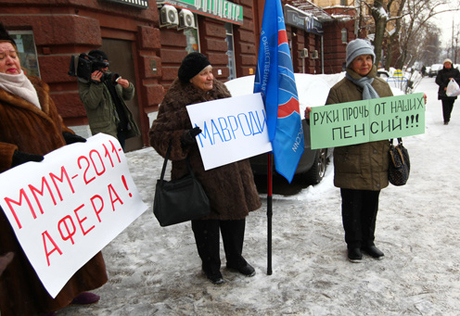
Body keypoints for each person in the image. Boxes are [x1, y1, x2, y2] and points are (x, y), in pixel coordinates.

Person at [0, 22, 107, 315]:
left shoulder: (34, 84)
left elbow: (53, 122)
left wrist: (67, 135)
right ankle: (42, 300)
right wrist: (12, 156)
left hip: (51, 182)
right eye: (1, 57)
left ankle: (72, 287)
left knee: (60, 238)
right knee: (32, 248)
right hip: (18, 189)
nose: (10, 60)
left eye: (12, 54)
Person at [149, 52, 261, 284]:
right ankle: (211, 266)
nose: (211, 77)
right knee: (206, 223)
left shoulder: (221, 90)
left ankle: (235, 259)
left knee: (235, 217)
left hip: (231, 168)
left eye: (211, 71)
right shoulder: (175, 100)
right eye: (204, 73)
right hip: (201, 174)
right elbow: (157, 136)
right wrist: (184, 138)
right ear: (191, 77)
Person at [306, 39, 393, 263]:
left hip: (376, 158)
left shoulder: (382, 87)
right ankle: (353, 244)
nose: (364, 63)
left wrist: (415, 108)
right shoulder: (339, 91)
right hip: (351, 160)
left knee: (371, 205)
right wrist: (313, 119)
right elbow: (329, 126)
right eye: (359, 59)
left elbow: (394, 118)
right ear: (350, 62)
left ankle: (368, 242)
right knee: (352, 206)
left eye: (368, 58)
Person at [77, 49, 140, 150]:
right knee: (112, 162)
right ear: (95, 65)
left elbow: (127, 97)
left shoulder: (110, 76)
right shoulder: (85, 82)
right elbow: (91, 103)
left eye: (107, 65)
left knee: (120, 157)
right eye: (103, 65)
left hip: (120, 127)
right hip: (105, 131)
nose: (106, 68)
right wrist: (96, 84)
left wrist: (128, 87)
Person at [435, 58, 460, 125]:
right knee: (445, 105)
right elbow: (438, 80)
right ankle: (446, 119)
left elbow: (459, 79)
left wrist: (454, 79)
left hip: (453, 91)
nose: (447, 65)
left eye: (448, 64)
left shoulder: (456, 71)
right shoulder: (441, 72)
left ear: (451, 64)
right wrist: (444, 87)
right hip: (444, 92)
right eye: (446, 64)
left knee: (451, 104)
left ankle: (448, 116)